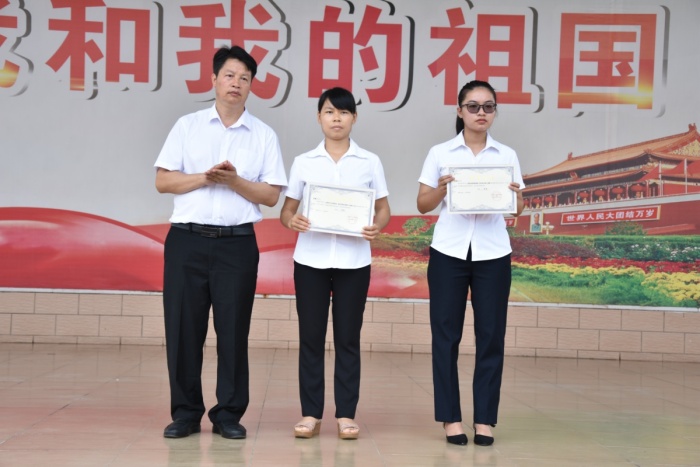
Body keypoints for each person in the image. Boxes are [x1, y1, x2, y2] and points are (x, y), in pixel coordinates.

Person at [154, 45, 287, 440]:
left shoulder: (263, 135)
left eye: (245, 78)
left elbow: (270, 195)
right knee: (183, 330)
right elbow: (163, 180)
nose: (236, 83)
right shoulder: (187, 126)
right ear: (213, 79)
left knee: (233, 331)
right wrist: (205, 177)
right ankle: (185, 413)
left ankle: (228, 414)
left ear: (251, 86)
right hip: (186, 241)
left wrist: (235, 181)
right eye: (229, 75)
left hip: (236, 245)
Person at [416, 80, 524, 446]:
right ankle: (450, 419)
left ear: (495, 112)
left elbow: (518, 207)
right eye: (473, 106)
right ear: (459, 111)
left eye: (488, 106)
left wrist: (514, 197)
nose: (481, 113)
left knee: (491, 336)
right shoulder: (440, 153)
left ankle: (485, 420)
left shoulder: (506, 155)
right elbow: (423, 203)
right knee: (446, 336)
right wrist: (443, 188)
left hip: (493, 253)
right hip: (449, 252)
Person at [280, 87, 391, 440]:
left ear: (354, 118)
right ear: (319, 118)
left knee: (347, 338)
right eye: (329, 112)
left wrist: (377, 226)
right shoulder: (304, 162)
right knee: (311, 338)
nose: (336, 118)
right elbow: (286, 211)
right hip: (310, 261)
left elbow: (383, 209)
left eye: (343, 112)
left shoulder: (369, 161)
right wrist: (292, 220)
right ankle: (311, 414)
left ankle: (345, 414)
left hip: (354, 262)